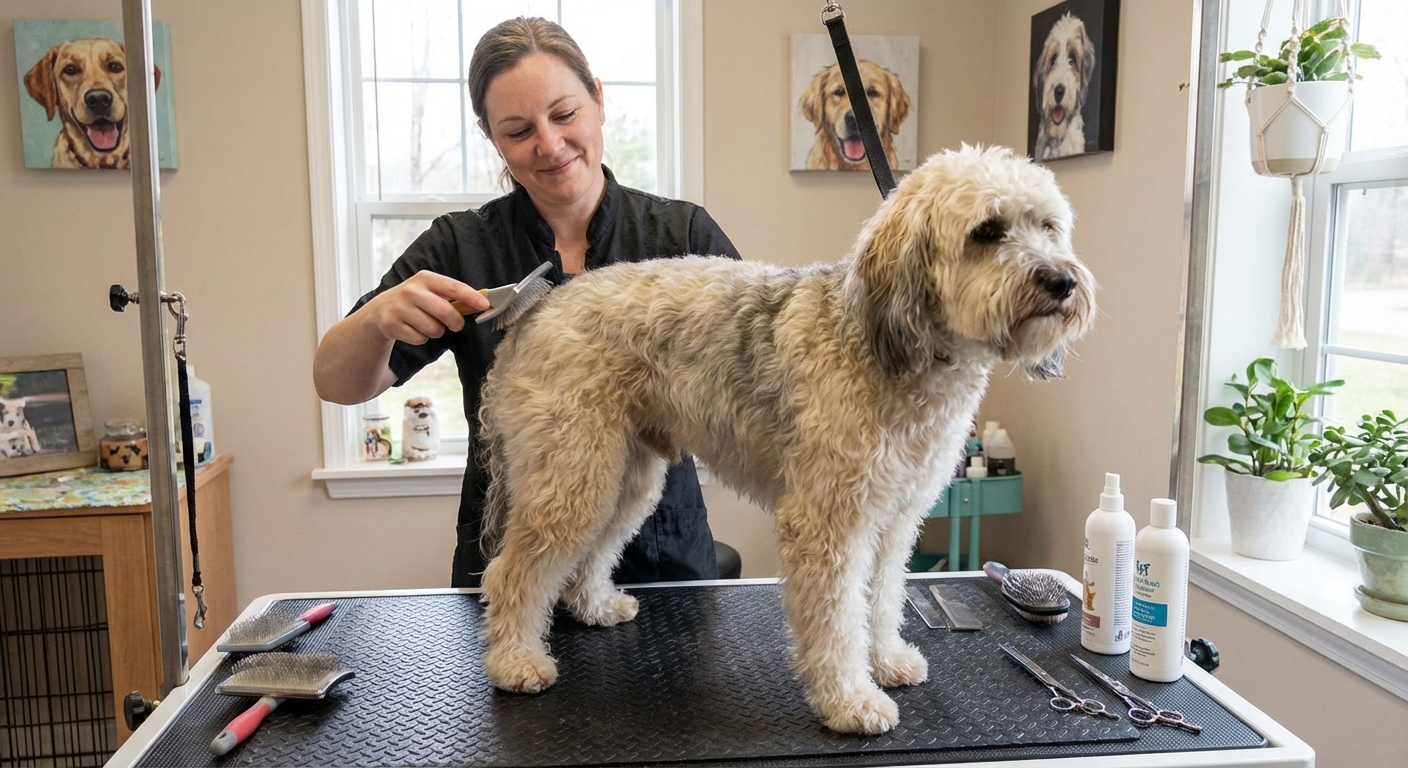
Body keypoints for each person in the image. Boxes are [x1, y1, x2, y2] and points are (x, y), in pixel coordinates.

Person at [313, 17, 741, 588]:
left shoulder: (682, 236)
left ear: (599, 100)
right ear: (491, 138)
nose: (550, 145)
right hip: (510, 562)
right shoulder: (460, 247)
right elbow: (337, 383)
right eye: (518, 131)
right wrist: (375, 321)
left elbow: (753, 379)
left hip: (660, 568)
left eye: (565, 115)